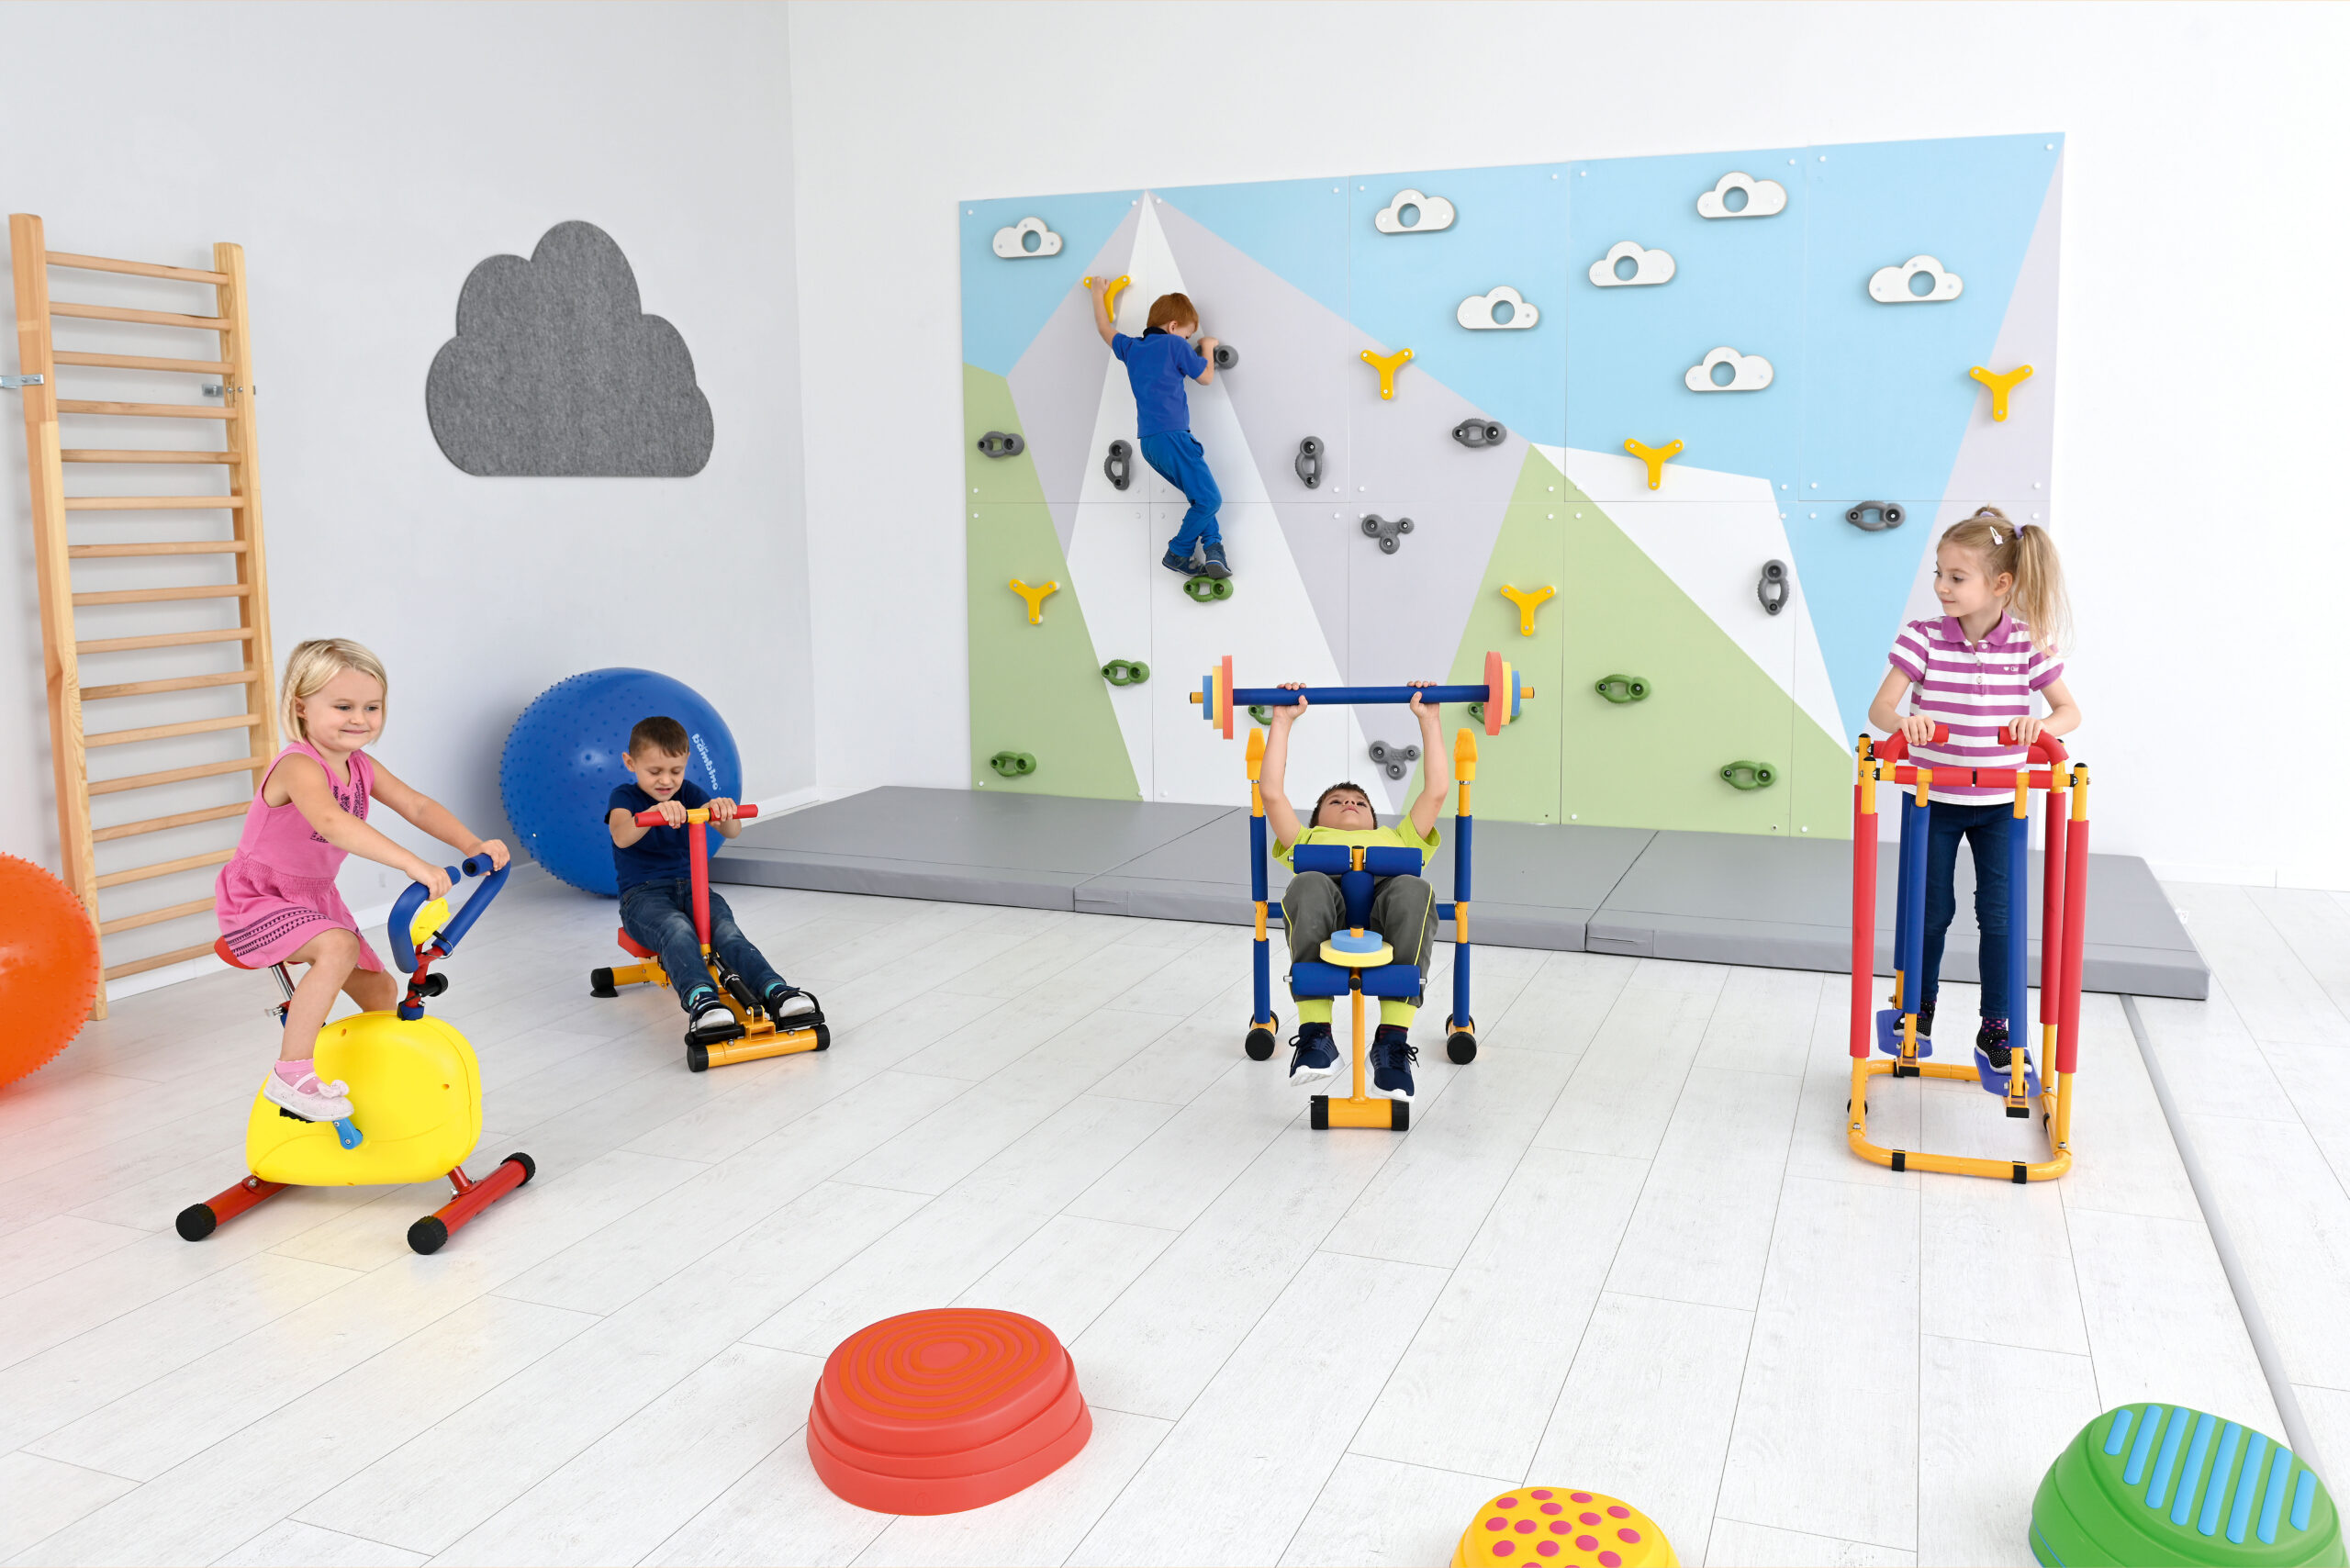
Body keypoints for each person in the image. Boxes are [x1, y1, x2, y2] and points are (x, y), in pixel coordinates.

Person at [215, 638, 510, 1125]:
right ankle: (291, 1075)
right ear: (302, 707)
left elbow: (416, 806)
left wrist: (472, 843)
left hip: (315, 897)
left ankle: (370, 1085)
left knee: (379, 992)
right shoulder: (297, 765)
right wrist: (412, 864)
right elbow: (332, 823)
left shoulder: (361, 767)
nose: (360, 719)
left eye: (372, 707)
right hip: (258, 898)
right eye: (343, 706)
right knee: (339, 947)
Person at [1865, 506, 2082, 1089]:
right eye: (1939, 574)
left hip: (2003, 805)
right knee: (1929, 910)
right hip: (1933, 799)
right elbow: (1881, 708)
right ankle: (1916, 1012)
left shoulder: (2028, 644)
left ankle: (1997, 1029)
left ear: (2000, 583)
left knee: (2002, 918)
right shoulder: (1924, 637)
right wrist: (1905, 723)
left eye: (1956, 577)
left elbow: (2069, 712)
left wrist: (2041, 728)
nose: (1942, 586)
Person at [1258, 681, 1450, 1100]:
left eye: (1361, 803)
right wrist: (1282, 721)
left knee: (1415, 889)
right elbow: (1270, 793)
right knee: (1307, 882)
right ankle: (1316, 1035)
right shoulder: (1307, 840)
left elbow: (1436, 791)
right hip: (1327, 918)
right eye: (1337, 801)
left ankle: (1392, 1043)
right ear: (1316, 820)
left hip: (1387, 917)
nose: (1350, 803)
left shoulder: (1397, 838)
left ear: (1375, 823)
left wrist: (1430, 721)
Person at [606, 715, 820, 1046]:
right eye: (655, 771)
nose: (666, 780)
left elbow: (732, 831)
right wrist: (651, 816)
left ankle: (776, 990)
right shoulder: (625, 797)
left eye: (676, 771)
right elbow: (621, 835)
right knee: (676, 928)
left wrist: (723, 810)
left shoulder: (689, 793)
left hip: (693, 889)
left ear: (686, 763)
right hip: (642, 897)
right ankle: (702, 1001)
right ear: (630, 763)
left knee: (725, 929)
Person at [1089, 281, 1227, 579]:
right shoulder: (1175, 345)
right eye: (1188, 335)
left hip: (1149, 443)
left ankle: (1214, 548)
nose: (1188, 340)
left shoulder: (1132, 347)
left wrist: (1097, 292)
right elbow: (1205, 377)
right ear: (1174, 326)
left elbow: (1103, 328)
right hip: (1173, 436)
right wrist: (1207, 346)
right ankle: (1178, 551)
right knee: (1210, 500)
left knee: (1199, 497)